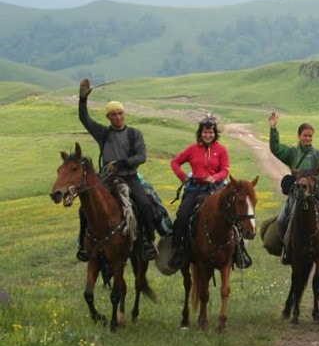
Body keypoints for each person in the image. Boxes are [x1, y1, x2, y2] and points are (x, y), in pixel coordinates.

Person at [77, 78, 157, 262]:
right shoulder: (103, 133)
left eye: (120, 113)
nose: (118, 117)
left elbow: (141, 157)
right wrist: (83, 99)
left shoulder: (134, 134)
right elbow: (84, 119)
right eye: (113, 115)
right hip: (106, 179)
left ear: (124, 114)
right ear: (108, 117)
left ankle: (148, 242)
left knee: (145, 205)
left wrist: (121, 163)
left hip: (129, 177)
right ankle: (83, 245)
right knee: (84, 210)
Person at [168, 117, 244, 269]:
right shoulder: (192, 149)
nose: (207, 135)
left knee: (234, 215)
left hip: (216, 188)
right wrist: (184, 177)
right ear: (200, 133)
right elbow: (175, 162)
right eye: (205, 132)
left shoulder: (221, 150)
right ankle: (178, 250)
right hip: (195, 188)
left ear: (215, 133)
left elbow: (225, 170)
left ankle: (239, 252)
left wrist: (214, 177)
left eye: (210, 132)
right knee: (182, 216)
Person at [269, 111, 319, 265]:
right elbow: (275, 148)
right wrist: (273, 129)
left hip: (317, 193)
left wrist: (312, 187)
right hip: (297, 194)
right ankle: (287, 249)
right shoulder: (292, 153)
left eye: (310, 136)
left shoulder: (317, 155)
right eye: (305, 135)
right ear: (299, 136)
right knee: (281, 221)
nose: (308, 138)